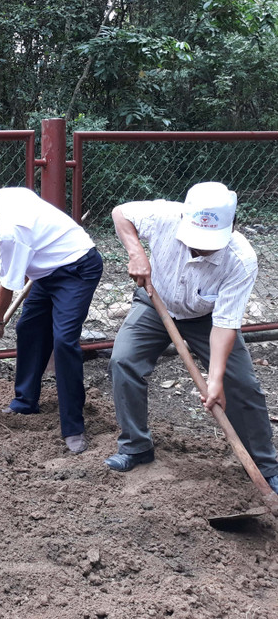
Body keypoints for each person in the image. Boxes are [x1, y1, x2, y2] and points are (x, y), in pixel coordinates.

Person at [106, 182, 278, 493]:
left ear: (230, 229)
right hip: (155, 301)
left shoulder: (240, 260)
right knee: (123, 361)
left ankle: (263, 468)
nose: (199, 247)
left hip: (207, 319)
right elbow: (120, 214)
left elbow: (225, 324)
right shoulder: (164, 216)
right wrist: (137, 254)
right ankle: (135, 446)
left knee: (241, 385)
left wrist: (215, 380)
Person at [0, 169, 103, 454]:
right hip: (47, 270)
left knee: (63, 341)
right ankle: (24, 403)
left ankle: (73, 426)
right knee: (29, 329)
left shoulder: (9, 228)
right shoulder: (7, 196)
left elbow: (8, 286)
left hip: (77, 267)